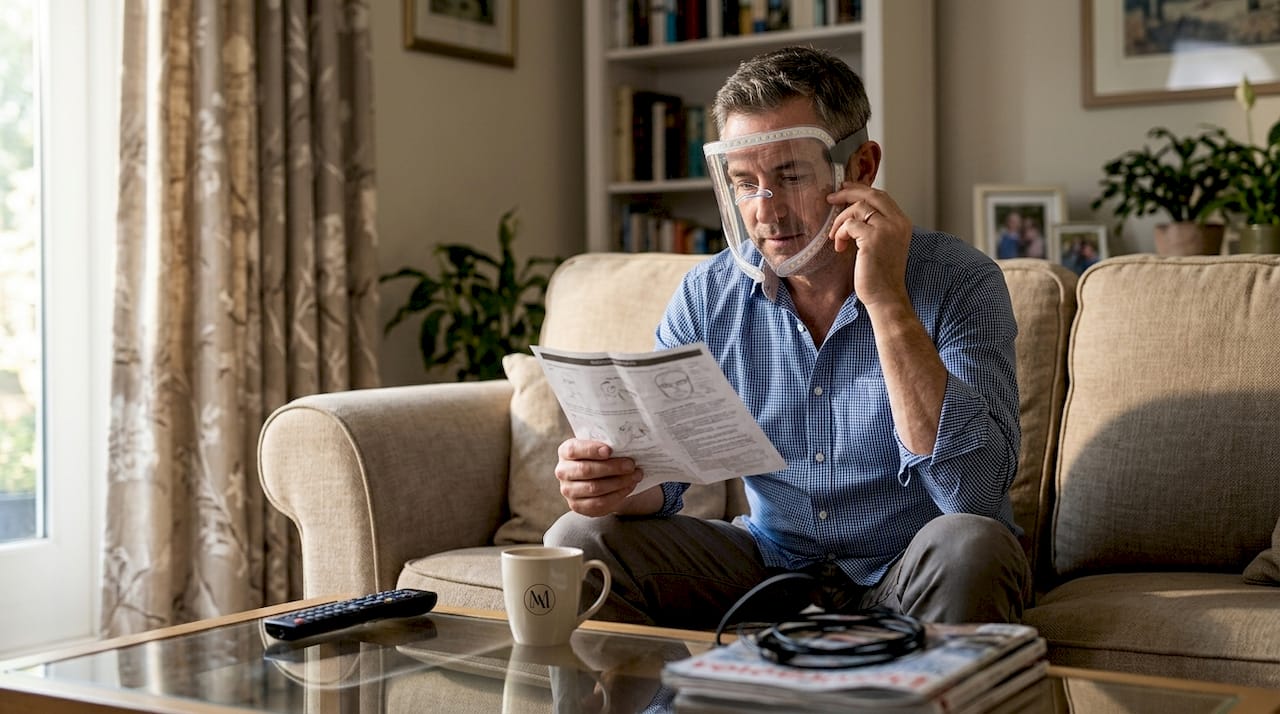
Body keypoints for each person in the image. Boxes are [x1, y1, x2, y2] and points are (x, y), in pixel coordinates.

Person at [545, 46, 1028, 631]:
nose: (766, 211)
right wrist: (613, 484)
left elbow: (973, 498)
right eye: (744, 184)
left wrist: (887, 302)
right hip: (771, 566)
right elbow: (661, 484)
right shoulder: (707, 295)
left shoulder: (961, 280)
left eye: (790, 176)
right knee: (578, 537)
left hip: (910, 569)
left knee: (971, 545)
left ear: (861, 169)